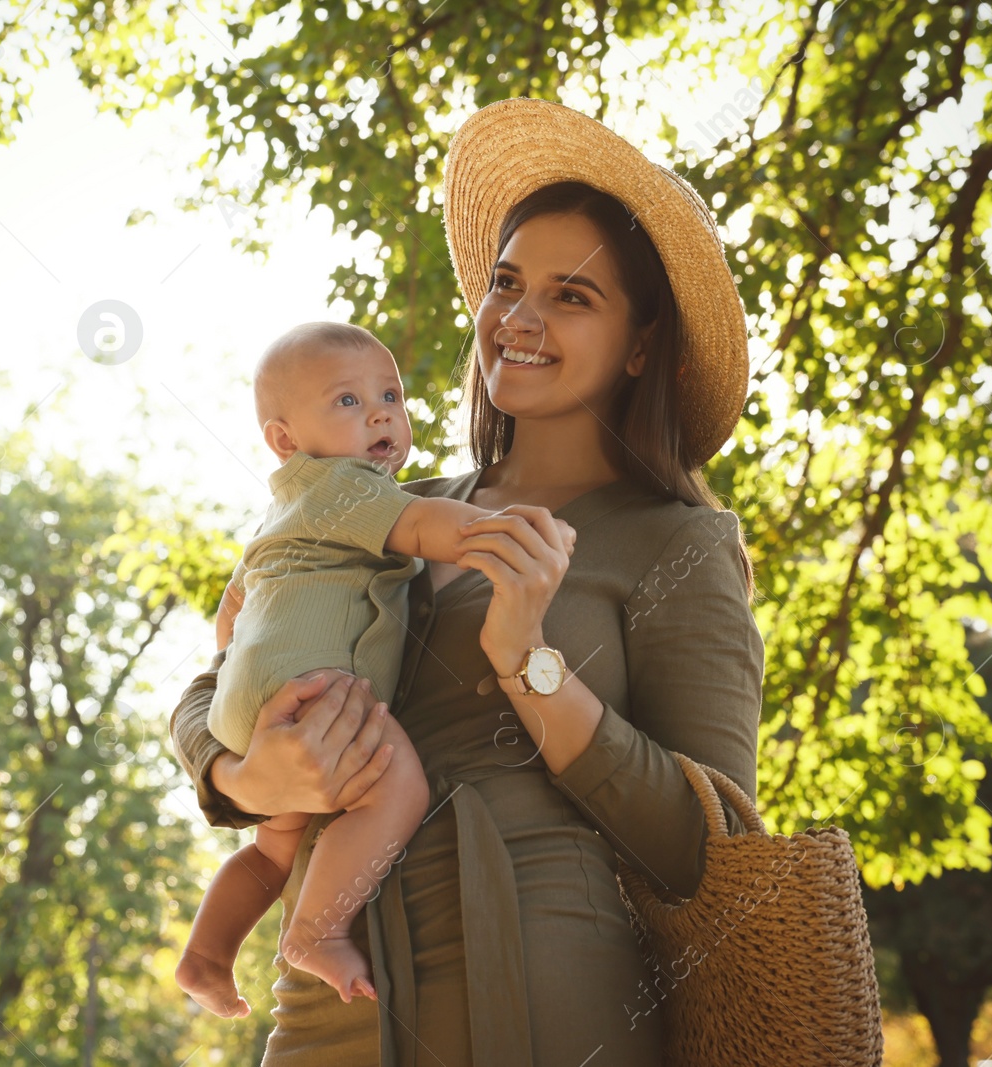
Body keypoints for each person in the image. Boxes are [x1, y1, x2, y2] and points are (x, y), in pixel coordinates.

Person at [167, 97, 764, 1066]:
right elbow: (214, 681)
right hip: (331, 994)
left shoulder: (680, 542)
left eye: (572, 296)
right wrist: (240, 774)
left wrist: (531, 666)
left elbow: (709, 845)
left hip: (542, 988)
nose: (520, 318)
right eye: (506, 282)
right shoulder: (378, 502)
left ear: (641, 345)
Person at [176, 321, 577, 1015]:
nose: (382, 411)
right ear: (285, 440)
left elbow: (230, 623)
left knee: (273, 854)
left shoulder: (288, 510)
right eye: (349, 401)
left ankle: (207, 954)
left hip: (262, 701)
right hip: (311, 692)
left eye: (389, 393)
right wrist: (499, 531)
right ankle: (316, 929)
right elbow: (426, 526)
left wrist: (240, 753)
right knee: (400, 785)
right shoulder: (343, 487)